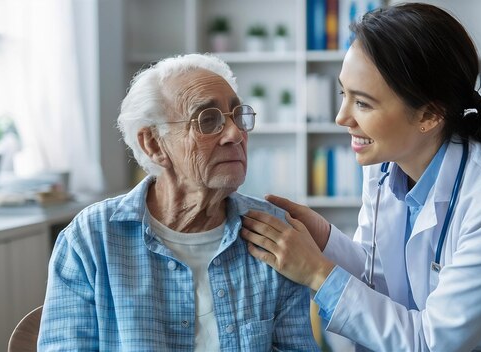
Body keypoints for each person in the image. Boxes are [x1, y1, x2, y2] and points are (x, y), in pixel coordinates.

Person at [241, 3, 481, 352]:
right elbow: (382, 283)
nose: (342, 117)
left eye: (363, 103)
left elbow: (428, 343)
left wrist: (317, 273)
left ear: (429, 116)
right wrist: (321, 238)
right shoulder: (386, 167)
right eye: (343, 93)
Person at [37, 54, 319, 351]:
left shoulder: (276, 236)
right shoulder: (91, 240)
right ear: (154, 144)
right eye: (208, 120)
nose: (236, 134)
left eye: (238, 116)